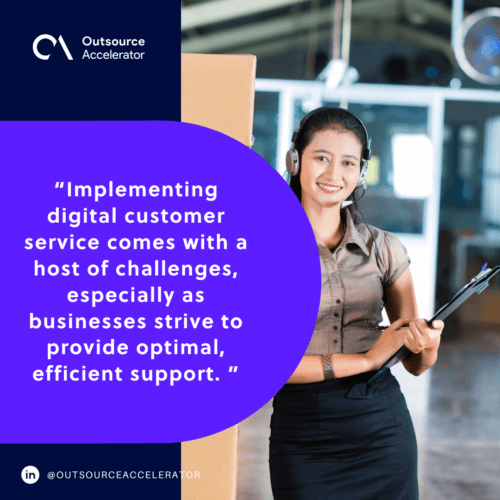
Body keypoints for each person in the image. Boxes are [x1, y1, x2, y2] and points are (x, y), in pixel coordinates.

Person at [269, 107, 445, 500]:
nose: (334, 175)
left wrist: (426, 343)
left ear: (361, 172)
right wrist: (365, 360)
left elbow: (415, 363)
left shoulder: (384, 249)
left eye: (348, 162)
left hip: (381, 429)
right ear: (295, 161)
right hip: (302, 434)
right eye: (321, 158)